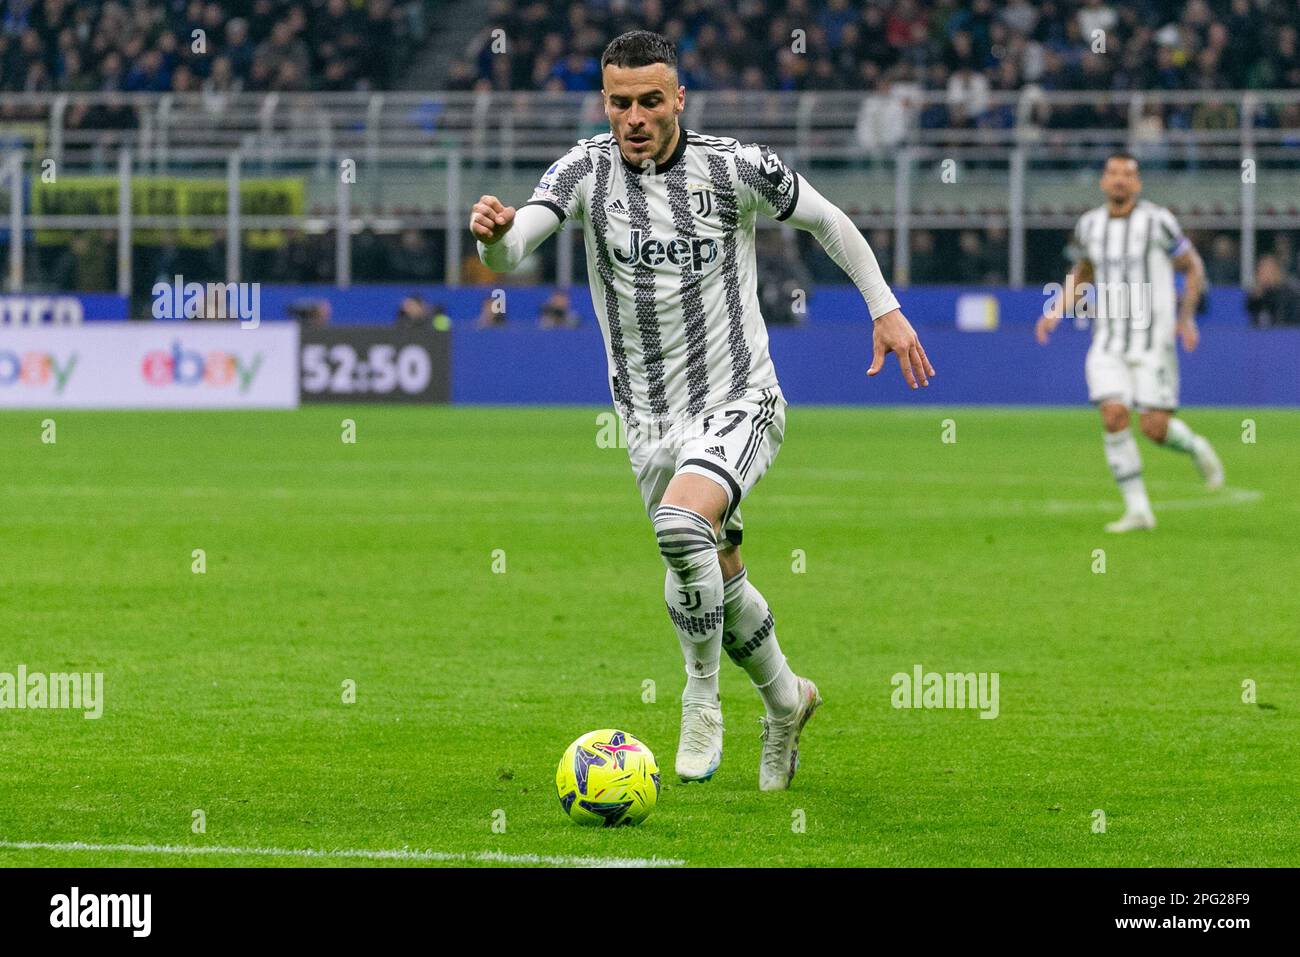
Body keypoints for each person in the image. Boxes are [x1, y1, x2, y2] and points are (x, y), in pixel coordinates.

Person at [469, 30, 931, 792]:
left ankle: (700, 697)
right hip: (649, 420)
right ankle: (787, 700)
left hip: (739, 397)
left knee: (682, 525)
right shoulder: (584, 168)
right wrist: (491, 239)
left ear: (678, 97)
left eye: (652, 100)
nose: (636, 116)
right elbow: (516, 246)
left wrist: (885, 309)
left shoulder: (734, 166)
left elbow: (829, 220)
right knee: (715, 565)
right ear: (606, 102)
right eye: (621, 102)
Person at [1036, 152, 1224, 533]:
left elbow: (1193, 267)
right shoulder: (1089, 225)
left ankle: (1195, 446)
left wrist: (1186, 319)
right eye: (1113, 173)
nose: (1120, 180)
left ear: (1137, 183)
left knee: (1154, 428)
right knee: (1114, 414)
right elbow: (1085, 269)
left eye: (1128, 174)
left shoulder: (1158, 222)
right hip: (1107, 341)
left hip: (1153, 342)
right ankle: (1138, 510)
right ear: (1104, 181)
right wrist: (1056, 310)